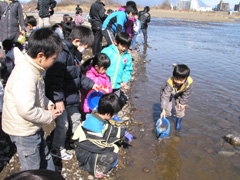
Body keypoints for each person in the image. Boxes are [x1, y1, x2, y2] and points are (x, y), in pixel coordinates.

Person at [2, 28, 62, 171]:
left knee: (44, 154)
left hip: (32, 126)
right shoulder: (26, 75)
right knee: (32, 166)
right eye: (53, 59)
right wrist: (49, 115)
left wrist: (48, 103)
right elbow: (26, 110)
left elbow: (37, 94)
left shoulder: (35, 68)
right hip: (23, 130)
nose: (54, 62)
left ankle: (49, 175)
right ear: (41, 56)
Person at [45, 26, 99, 160]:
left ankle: (77, 141)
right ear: (77, 41)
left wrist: (92, 84)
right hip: (61, 98)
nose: (85, 50)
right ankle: (56, 148)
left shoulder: (72, 53)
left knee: (76, 119)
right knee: (63, 125)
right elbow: (55, 79)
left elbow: (78, 77)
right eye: (85, 47)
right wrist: (58, 100)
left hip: (71, 96)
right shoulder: (61, 54)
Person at [72, 93, 134, 178]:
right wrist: (113, 148)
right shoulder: (94, 126)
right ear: (108, 114)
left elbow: (110, 129)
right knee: (112, 157)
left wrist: (124, 133)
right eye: (114, 114)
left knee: (113, 138)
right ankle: (98, 169)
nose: (115, 116)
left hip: (93, 141)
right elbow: (99, 146)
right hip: (84, 151)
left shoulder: (99, 116)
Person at [101, 32, 132, 105]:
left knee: (114, 103)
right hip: (105, 83)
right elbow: (100, 62)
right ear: (115, 42)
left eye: (126, 46)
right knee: (103, 100)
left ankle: (113, 114)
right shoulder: (108, 51)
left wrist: (125, 80)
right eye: (122, 45)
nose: (124, 48)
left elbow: (127, 70)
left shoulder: (127, 57)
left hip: (117, 85)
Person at [160, 64, 193, 130]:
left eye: (181, 80)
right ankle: (164, 123)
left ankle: (178, 124)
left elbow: (187, 94)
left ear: (186, 78)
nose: (178, 82)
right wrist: (163, 109)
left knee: (180, 108)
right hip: (168, 93)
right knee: (166, 109)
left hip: (180, 93)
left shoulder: (189, 82)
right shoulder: (169, 83)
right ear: (173, 76)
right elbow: (165, 96)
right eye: (176, 79)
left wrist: (183, 103)